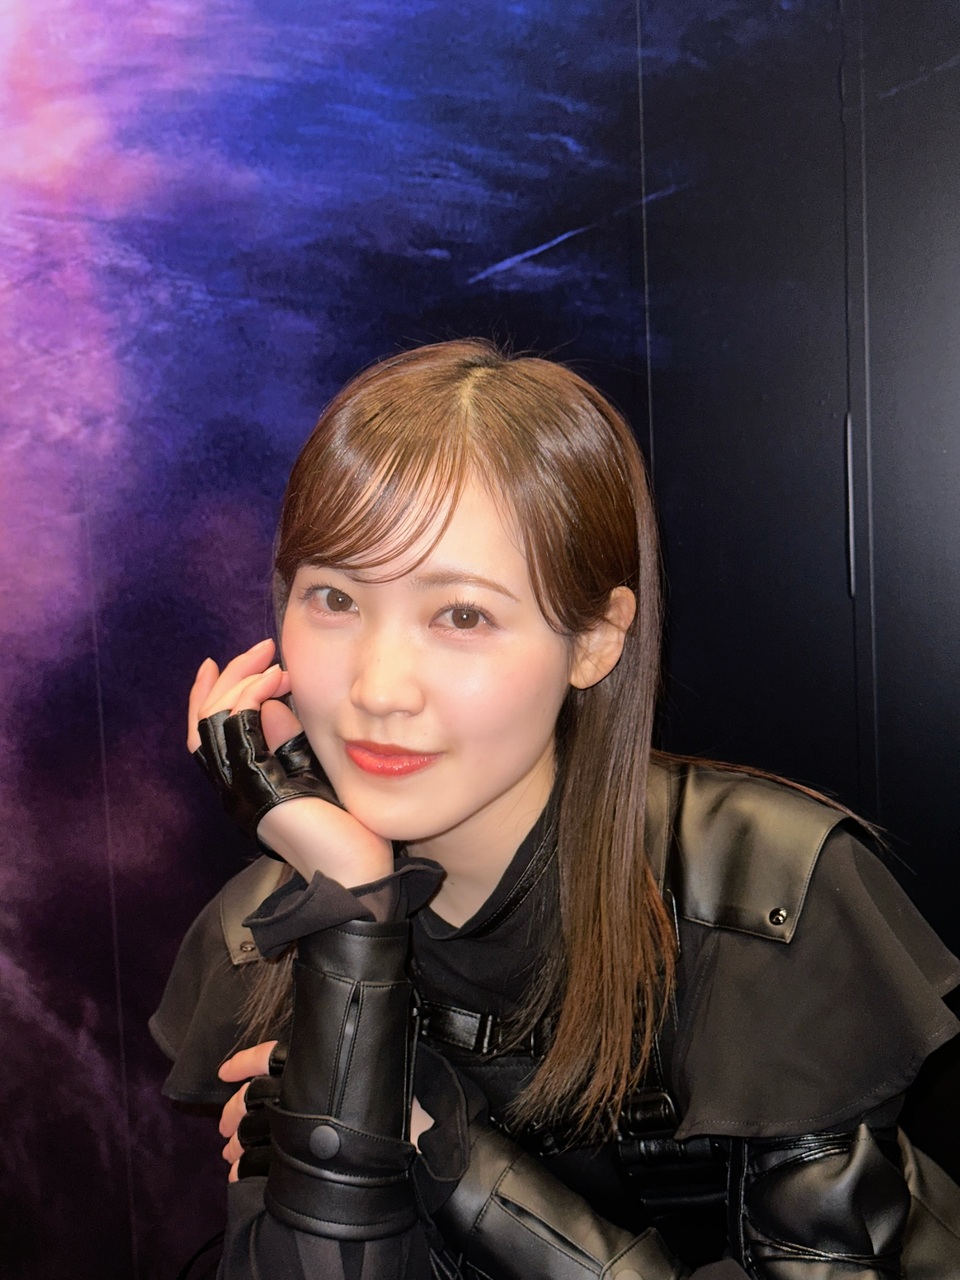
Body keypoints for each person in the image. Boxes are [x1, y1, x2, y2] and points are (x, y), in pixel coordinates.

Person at [152, 339, 960, 1279]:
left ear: (596, 640)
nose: (377, 688)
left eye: (461, 615)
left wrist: (440, 1156)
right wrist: (353, 911)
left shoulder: (759, 892)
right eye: (334, 597)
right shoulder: (268, 932)